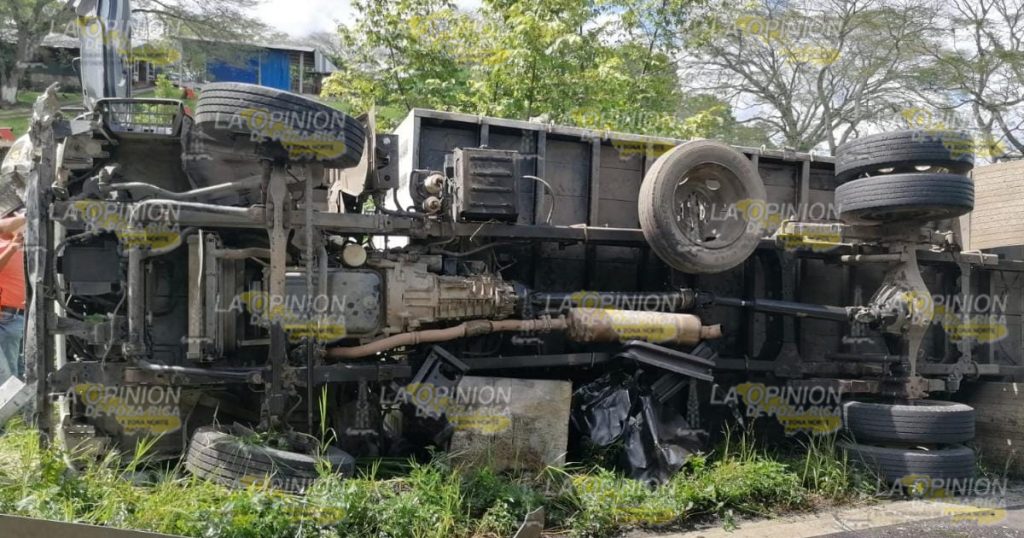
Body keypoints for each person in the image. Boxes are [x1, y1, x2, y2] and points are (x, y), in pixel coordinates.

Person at [0, 213, 25, 383]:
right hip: (5, 318)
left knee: (18, 374)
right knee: (7, 380)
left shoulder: (21, 246)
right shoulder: (7, 246)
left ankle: (23, 409)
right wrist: (12, 247)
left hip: (19, 317)